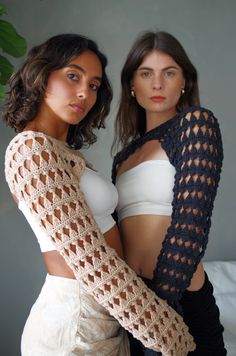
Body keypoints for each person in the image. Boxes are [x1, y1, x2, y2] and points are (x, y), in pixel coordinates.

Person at [3, 34, 195, 356]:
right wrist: (167, 331)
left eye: (93, 85)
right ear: (42, 74)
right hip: (74, 325)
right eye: (73, 76)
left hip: (105, 316)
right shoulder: (30, 150)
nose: (84, 93)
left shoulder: (61, 151)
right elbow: (93, 262)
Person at [112, 31, 226, 356]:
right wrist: (130, 304)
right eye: (146, 73)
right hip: (133, 305)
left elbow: (191, 222)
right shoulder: (123, 157)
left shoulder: (195, 125)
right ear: (132, 84)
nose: (157, 84)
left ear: (184, 82)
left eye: (169, 72)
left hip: (178, 300)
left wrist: (159, 306)